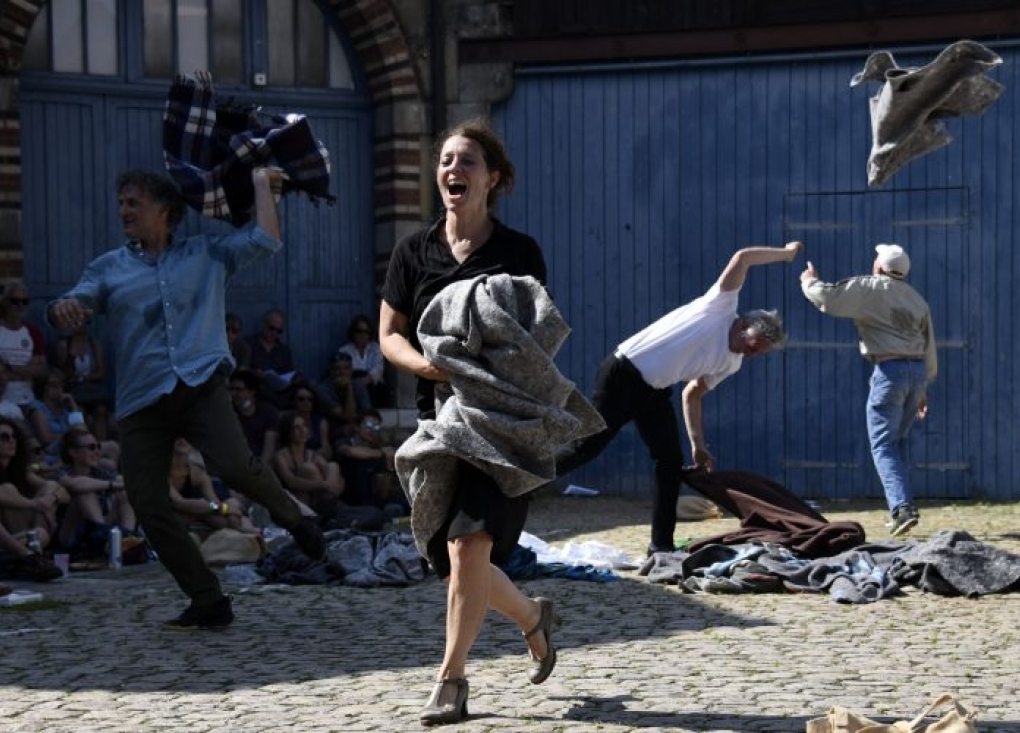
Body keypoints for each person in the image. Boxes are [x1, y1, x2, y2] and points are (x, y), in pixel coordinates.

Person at [45, 167, 325, 630]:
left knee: (236, 466)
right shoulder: (109, 267)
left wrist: (260, 185)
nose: (123, 211)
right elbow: (70, 304)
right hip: (142, 400)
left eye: (133, 202)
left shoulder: (207, 254)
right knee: (149, 504)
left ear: (166, 210)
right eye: (121, 204)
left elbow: (265, 239)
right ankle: (208, 599)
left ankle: (296, 521)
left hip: (200, 386)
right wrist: (62, 311)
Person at [380, 118, 566, 725]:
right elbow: (389, 336)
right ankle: (534, 616)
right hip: (438, 424)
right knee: (457, 561)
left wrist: (485, 371)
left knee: (467, 548)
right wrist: (431, 367)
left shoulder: (519, 253)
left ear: (494, 179)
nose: (452, 171)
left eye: (466, 162)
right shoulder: (414, 252)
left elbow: (534, 342)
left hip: (500, 426)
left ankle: (450, 683)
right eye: (446, 162)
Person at [556, 242, 804, 555]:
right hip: (623, 374)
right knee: (585, 448)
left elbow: (693, 393)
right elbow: (742, 257)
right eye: (753, 346)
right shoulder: (720, 306)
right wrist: (785, 253)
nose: (752, 354)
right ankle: (519, 482)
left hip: (656, 391)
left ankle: (660, 546)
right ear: (743, 325)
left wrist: (698, 447)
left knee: (670, 462)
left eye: (758, 354)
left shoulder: (732, 362)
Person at [800, 243, 936, 537]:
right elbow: (929, 346)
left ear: (879, 267)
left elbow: (828, 298)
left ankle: (902, 508)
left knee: (883, 444)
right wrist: (923, 387)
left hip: (890, 372)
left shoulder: (869, 288)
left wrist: (808, 282)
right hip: (916, 372)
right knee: (896, 442)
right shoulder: (917, 300)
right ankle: (902, 503)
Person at [56, 427, 137, 554]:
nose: (97, 452)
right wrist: (111, 485)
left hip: (101, 527)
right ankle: (103, 536)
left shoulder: (102, 470)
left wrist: (118, 484)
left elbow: (126, 482)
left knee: (125, 495)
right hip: (71, 534)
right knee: (84, 494)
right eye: (91, 447)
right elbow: (75, 485)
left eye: (98, 447)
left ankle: (129, 540)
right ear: (73, 452)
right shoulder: (63, 472)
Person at [24, 369, 119, 470]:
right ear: (41, 387)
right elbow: (46, 438)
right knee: (80, 437)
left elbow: (83, 433)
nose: (59, 388)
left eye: (61, 385)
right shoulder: (37, 407)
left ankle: (106, 476)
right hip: (53, 449)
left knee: (113, 447)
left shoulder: (66, 407)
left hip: (74, 445)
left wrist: (73, 406)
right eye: (53, 385)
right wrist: (70, 438)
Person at [0, 416, 68, 553]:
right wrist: (34, 504)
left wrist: (52, 498)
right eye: (4, 437)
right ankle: (37, 539)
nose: (12, 441)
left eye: (14, 437)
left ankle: (39, 535)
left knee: (50, 486)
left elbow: (65, 494)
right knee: (8, 488)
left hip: (25, 531)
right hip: (6, 535)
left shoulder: (19, 471)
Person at [168, 437, 259, 537]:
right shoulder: (158, 471)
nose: (182, 440)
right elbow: (180, 503)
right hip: (162, 519)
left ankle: (256, 534)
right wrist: (224, 508)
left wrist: (229, 510)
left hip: (192, 515)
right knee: (208, 511)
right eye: (177, 435)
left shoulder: (198, 473)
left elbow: (214, 505)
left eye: (186, 435)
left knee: (220, 512)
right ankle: (255, 534)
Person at [335, 408, 407, 517]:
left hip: (372, 503)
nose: (371, 430)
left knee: (402, 506)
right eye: (367, 426)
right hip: (348, 501)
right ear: (357, 427)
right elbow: (349, 452)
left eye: (376, 427)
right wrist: (382, 453)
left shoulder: (377, 451)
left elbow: (382, 493)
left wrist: (388, 465)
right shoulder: (345, 442)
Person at [272, 410, 345, 517]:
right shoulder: (281, 455)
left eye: (304, 426)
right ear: (288, 431)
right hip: (299, 502)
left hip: (321, 497)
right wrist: (325, 485)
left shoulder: (313, 454)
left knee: (333, 466)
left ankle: (330, 508)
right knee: (309, 468)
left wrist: (334, 485)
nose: (302, 431)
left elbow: (335, 480)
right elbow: (291, 482)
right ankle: (327, 511)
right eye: (297, 427)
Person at [53, 321, 114, 441]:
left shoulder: (94, 344)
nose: (81, 325)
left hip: (92, 388)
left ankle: (100, 444)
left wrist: (82, 378)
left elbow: (100, 373)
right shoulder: (64, 345)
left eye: (85, 322)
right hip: (74, 389)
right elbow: (64, 373)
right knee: (79, 411)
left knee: (100, 410)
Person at [0, 281, 47, 407]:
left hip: (28, 399)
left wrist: (12, 368)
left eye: (25, 301)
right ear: (4, 302)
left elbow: (40, 369)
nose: (20, 305)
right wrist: (25, 371)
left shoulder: (33, 332)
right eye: (14, 301)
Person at [336, 314, 391, 410]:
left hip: (372, 386)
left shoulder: (376, 349)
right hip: (353, 386)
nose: (363, 335)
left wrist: (366, 380)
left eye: (366, 332)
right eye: (359, 331)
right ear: (353, 333)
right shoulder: (344, 351)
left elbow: (378, 370)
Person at [229, 369, 280, 466]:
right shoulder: (229, 413)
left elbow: (269, 447)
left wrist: (259, 469)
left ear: (252, 392)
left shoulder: (268, 412)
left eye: (238, 389)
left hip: (260, 466)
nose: (233, 394)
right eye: (231, 389)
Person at [247, 308, 298, 405]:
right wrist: (253, 372)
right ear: (264, 325)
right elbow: (240, 368)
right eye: (272, 328)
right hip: (256, 387)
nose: (274, 333)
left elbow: (289, 374)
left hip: (279, 390)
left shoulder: (284, 350)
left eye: (279, 331)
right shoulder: (249, 345)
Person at [314, 351, 359, 442]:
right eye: (337, 369)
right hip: (331, 432)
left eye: (346, 368)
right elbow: (347, 417)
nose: (342, 372)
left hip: (356, 427)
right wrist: (349, 388)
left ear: (351, 370)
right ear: (330, 370)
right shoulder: (323, 389)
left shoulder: (358, 385)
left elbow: (368, 413)